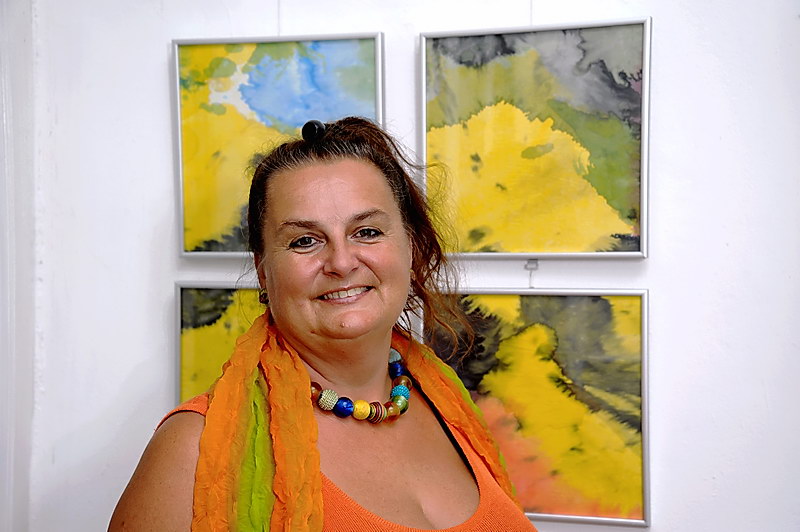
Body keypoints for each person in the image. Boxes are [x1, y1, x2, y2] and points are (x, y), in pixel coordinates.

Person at [109, 117, 538, 531]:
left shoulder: (450, 406)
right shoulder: (193, 448)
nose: (341, 262)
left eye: (367, 232)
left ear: (411, 247)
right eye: (305, 241)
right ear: (263, 271)